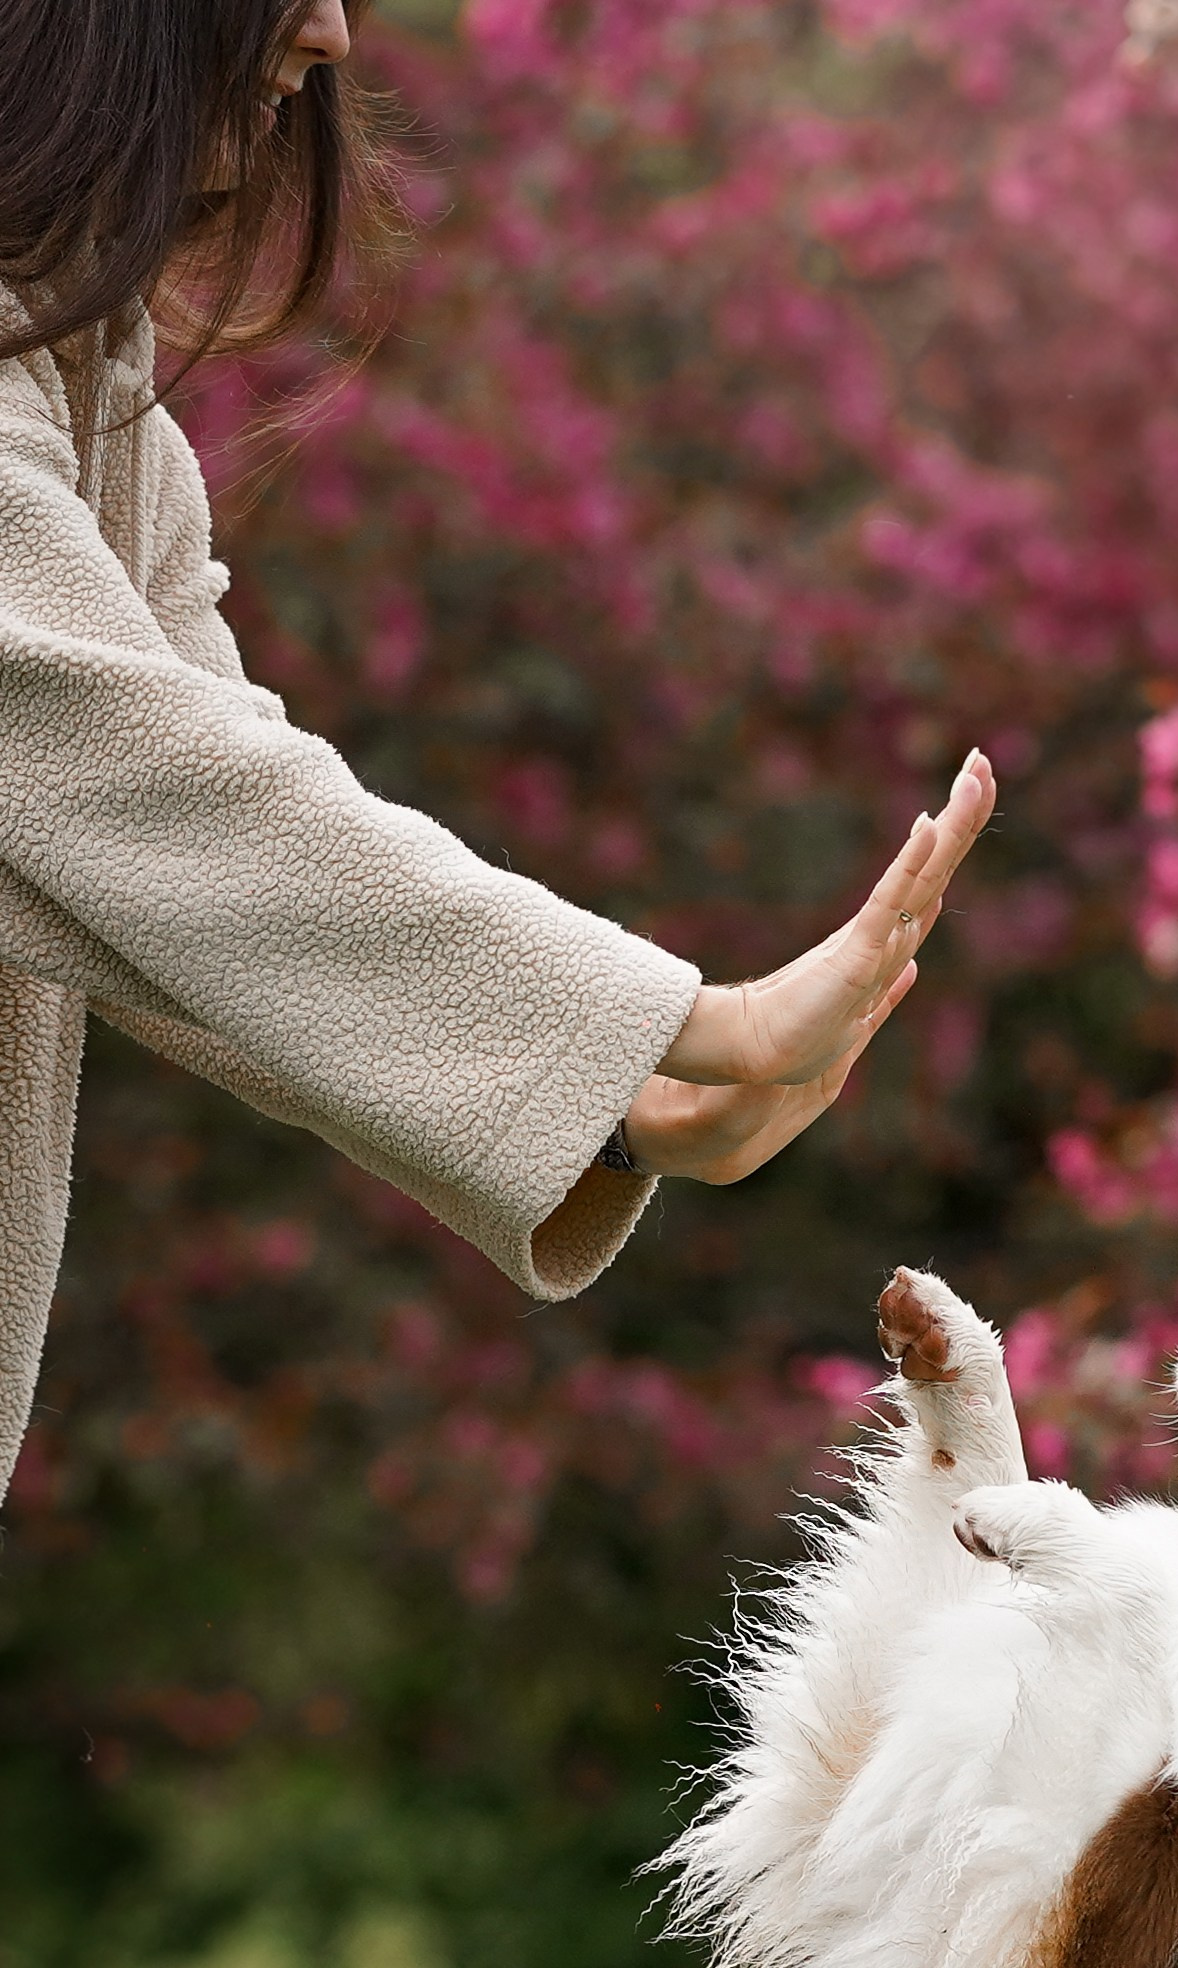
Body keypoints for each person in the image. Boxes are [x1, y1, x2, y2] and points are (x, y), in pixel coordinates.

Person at [0, 0, 997, 1502]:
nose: (333, 31)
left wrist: (619, 1104)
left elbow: (183, 870)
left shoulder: (87, 377)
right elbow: (130, 778)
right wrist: (683, 1027)